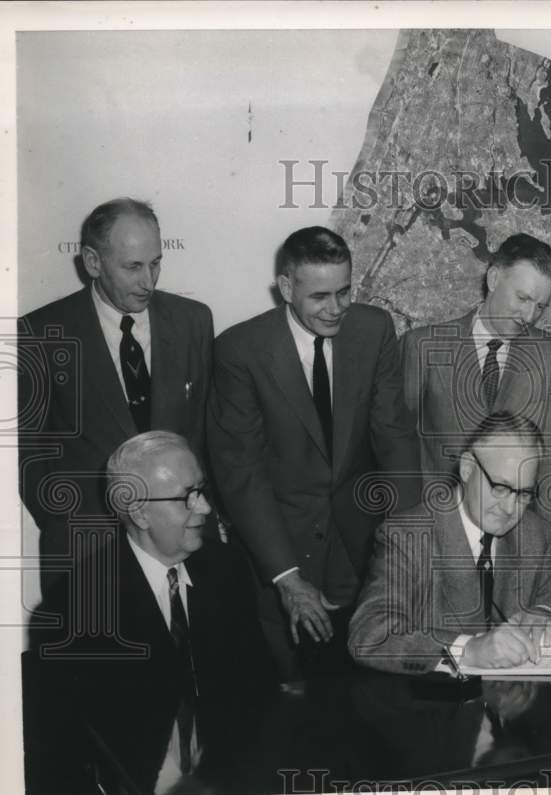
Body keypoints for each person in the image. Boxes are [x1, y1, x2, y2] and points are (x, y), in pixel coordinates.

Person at [208, 226, 420, 680]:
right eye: (320, 296)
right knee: (294, 698)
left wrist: (407, 542)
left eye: (345, 292)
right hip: (282, 547)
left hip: (362, 544)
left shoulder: (374, 328)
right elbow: (240, 472)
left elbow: (395, 436)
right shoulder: (239, 350)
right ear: (285, 288)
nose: (337, 308)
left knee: (367, 689)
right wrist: (286, 577)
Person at [27, 431, 272, 793]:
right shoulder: (74, 609)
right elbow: (58, 759)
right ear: (139, 513)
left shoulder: (227, 568)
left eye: (201, 490)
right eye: (187, 497)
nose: (204, 507)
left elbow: (259, 694)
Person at [19, 198, 213, 593]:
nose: (149, 281)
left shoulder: (194, 320)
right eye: (133, 267)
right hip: (85, 549)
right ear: (93, 262)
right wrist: (69, 522)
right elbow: (28, 455)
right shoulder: (38, 333)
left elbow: (202, 432)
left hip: (178, 545)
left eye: (155, 262)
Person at [349, 412, 551, 674]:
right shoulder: (406, 537)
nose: (510, 508)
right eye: (500, 487)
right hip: (429, 708)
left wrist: (542, 617)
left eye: (524, 493)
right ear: (467, 468)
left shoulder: (538, 535)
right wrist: (468, 650)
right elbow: (369, 635)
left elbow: (548, 608)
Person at [400, 233, 551, 526]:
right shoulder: (421, 348)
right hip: (437, 535)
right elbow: (397, 453)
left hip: (515, 539)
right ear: (494, 279)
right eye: (523, 298)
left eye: (541, 306)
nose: (530, 316)